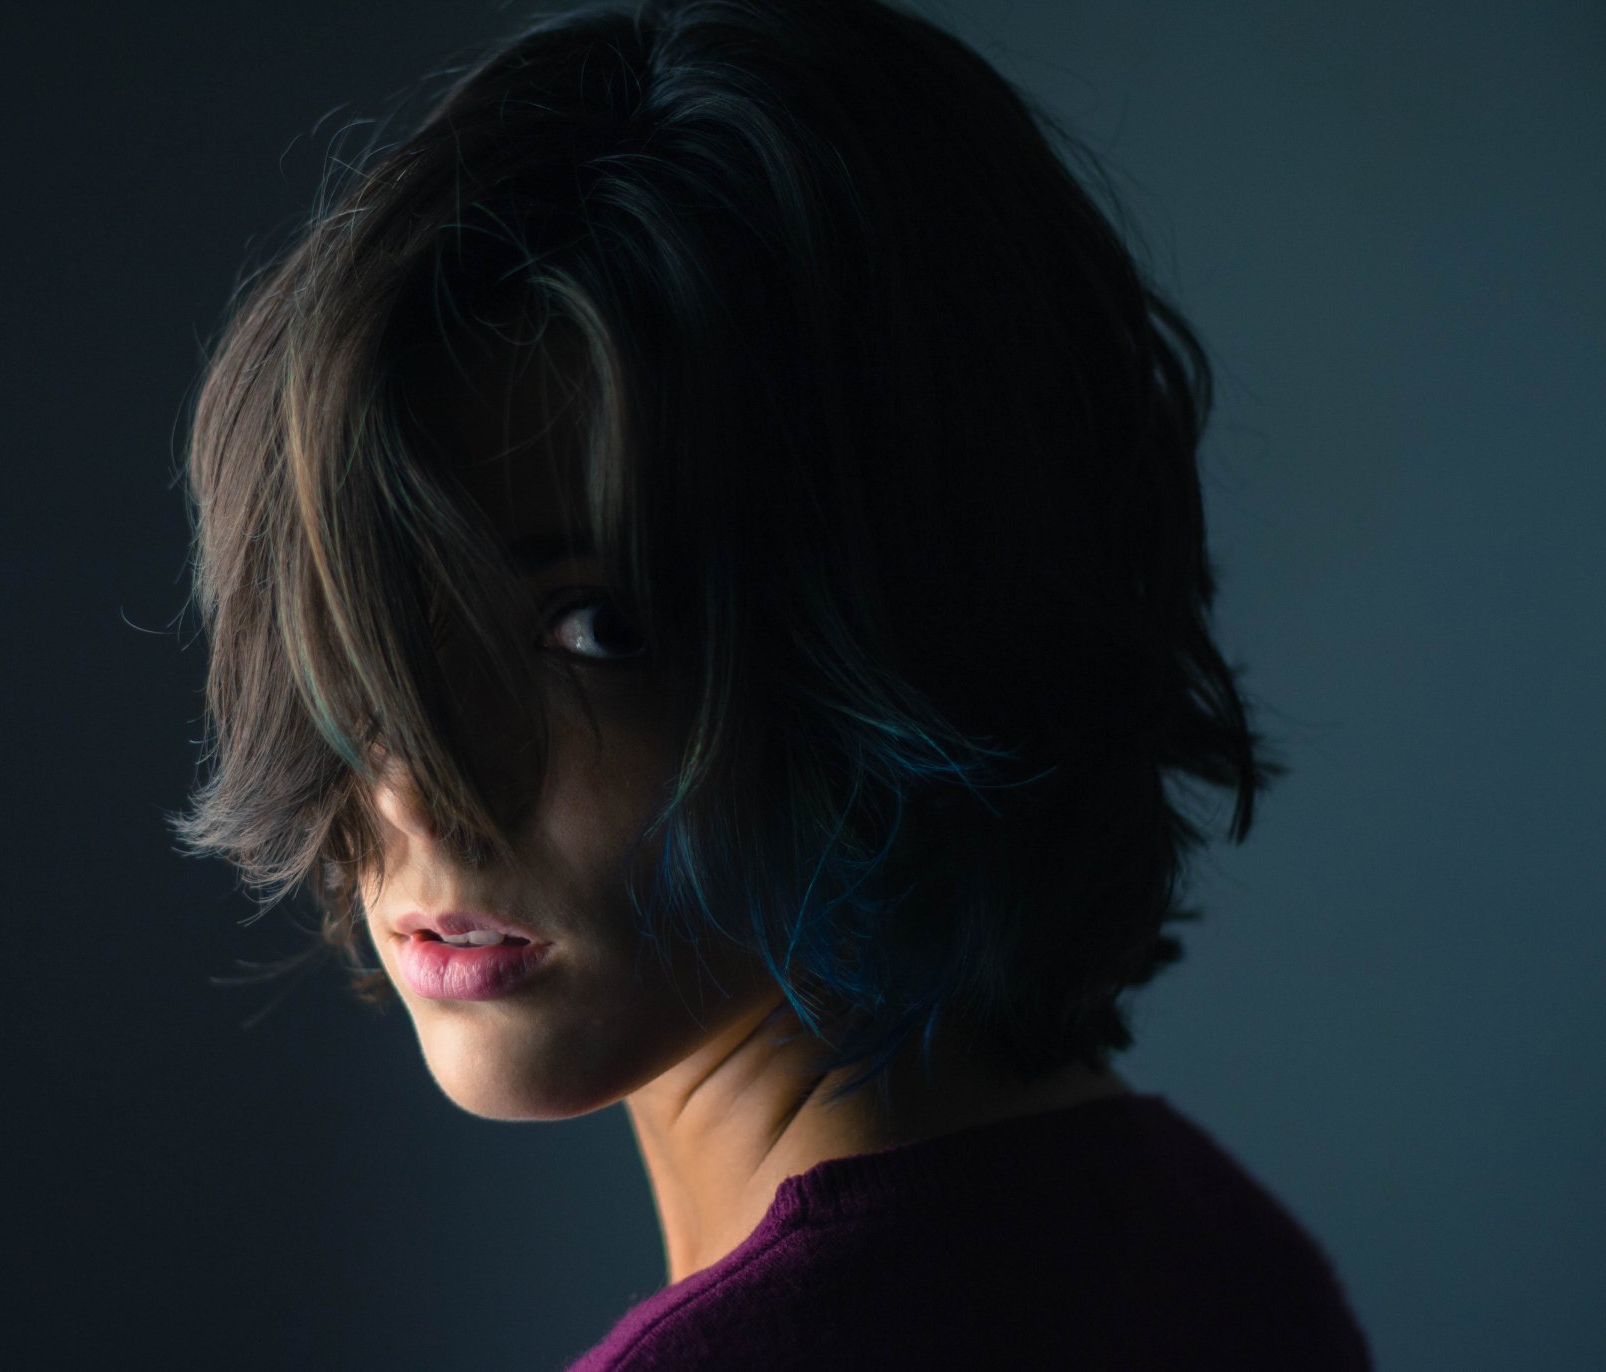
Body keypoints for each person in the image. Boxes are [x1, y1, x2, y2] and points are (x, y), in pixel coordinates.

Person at [172, 0, 1374, 1366]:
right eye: (383, 617)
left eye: (596, 630)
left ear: (914, 624)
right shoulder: (1218, 1250)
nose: (418, 789)